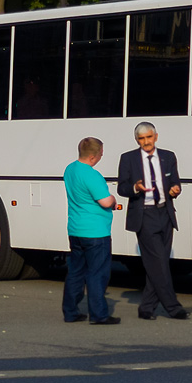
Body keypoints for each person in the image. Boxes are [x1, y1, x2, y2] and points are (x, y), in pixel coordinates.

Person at [117, 122, 190, 320]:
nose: (146, 142)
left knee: (159, 264)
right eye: (141, 139)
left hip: (165, 213)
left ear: (156, 137)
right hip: (145, 214)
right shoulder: (128, 158)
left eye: (149, 138)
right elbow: (121, 188)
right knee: (159, 263)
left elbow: (175, 181)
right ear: (137, 140)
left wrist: (175, 189)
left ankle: (147, 307)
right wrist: (135, 187)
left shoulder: (168, 156)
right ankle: (173, 307)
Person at [62, 137, 120, 325]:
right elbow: (105, 201)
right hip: (96, 232)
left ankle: (70, 312)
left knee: (75, 272)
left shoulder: (70, 169)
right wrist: (113, 199)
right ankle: (99, 314)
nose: (102, 156)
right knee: (97, 274)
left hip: (75, 229)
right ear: (94, 157)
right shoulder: (92, 175)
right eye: (101, 153)